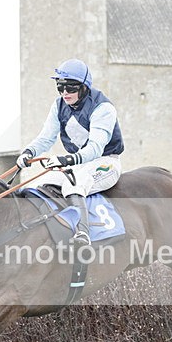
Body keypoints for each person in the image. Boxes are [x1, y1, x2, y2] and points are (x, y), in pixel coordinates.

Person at [16, 58, 124, 246]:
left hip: (106, 161)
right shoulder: (58, 105)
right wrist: (28, 152)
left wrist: (67, 159)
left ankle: (83, 234)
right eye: (60, 87)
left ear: (84, 87)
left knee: (75, 184)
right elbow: (46, 138)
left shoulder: (103, 107)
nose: (65, 92)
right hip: (78, 164)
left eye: (71, 87)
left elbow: (96, 148)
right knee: (38, 183)